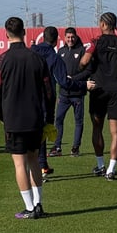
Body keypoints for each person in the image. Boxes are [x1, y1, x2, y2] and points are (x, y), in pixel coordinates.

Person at [0, 17, 55, 219]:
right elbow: (49, 91)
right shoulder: (37, 59)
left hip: (13, 118)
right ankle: (38, 204)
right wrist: (49, 117)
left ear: (6, 34)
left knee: (20, 164)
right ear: (24, 32)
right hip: (35, 117)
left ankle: (29, 207)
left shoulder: (1, 61)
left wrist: (1, 114)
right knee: (34, 160)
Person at [79, 12, 117, 180]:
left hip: (98, 90)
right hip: (116, 91)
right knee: (116, 133)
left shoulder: (96, 42)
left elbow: (84, 62)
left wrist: (81, 71)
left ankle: (100, 165)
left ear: (103, 24)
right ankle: (111, 169)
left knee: (97, 128)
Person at [32, 27, 94, 179]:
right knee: (44, 130)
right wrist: (83, 85)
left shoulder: (31, 51)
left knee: (33, 133)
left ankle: (41, 165)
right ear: (57, 40)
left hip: (28, 98)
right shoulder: (55, 56)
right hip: (46, 99)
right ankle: (41, 166)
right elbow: (63, 81)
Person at [48, 27, 91, 157]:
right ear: (64, 38)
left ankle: (75, 148)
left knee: (78, 121)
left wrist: (74, 79)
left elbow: (88, 71)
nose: (70, 39)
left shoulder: (82, 50)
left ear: (76, 37)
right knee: (58, 120)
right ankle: (57, 147)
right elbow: (56, 71)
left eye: (72, 37)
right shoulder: (60, 51)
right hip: (63, 94)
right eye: (68, 37)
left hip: (77, 93)